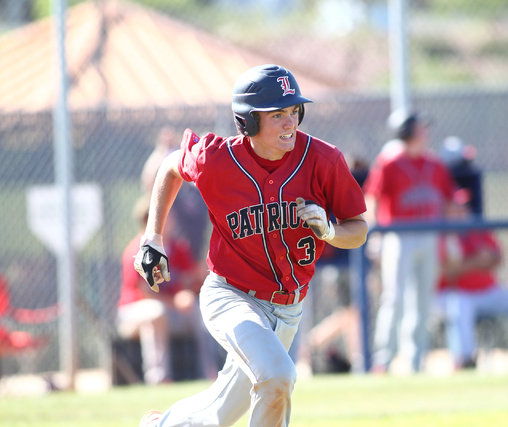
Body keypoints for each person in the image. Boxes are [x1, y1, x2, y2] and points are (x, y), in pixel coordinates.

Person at [134, 64, 368, 427]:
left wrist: (331, 232)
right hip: (231, 295)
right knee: (278, 377)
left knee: (221, 412)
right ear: (249, 122)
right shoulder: (218, 159)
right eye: (278, 114)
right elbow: (170, 166)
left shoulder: (323, 160)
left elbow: (359, 229)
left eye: (294, 111)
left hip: (289, 306)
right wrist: (153, 236)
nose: (291, 122)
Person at [363, 109, 456, 374]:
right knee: (395, 297)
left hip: (429, 235)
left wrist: (452, 232)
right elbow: (372, 199)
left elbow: (450, 200)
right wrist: (375, 236)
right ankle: (383, 359)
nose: (425, 132)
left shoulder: (435, 163)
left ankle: (416, 359)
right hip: (398, 236)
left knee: (423, 299)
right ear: (407, 132)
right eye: (419, 128)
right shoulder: (389, 162)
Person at [117, 198, 219, 385]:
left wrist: (188, 291)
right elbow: (145, 293)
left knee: (200, 311)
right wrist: (175, 302)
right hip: (133, 314)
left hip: (171, 311)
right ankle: (159, 377)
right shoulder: (139, 249)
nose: (172, 219)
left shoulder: (178, 248)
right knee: (156, 312)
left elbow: (190, 281)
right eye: (166, 215)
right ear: (151, 219)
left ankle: (210, 372)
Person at [437, 188, 508, 369]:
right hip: (453, 294)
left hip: (488, 291)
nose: (462, 210)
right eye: (456, 206)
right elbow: (447, 272)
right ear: (445, 208)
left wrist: (463, 265)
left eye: (464, 206)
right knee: (459, 305)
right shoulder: (438, 233)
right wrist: (477, 261)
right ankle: (465, 361)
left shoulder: (477, 228)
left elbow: (497, 258)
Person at [141, 126, 210, 261]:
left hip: (197, 256)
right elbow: (150, 182)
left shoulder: (197, 190)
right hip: (171, 255)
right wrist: (162, 151)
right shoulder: (171, 193)